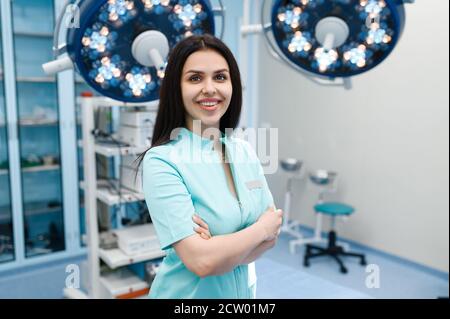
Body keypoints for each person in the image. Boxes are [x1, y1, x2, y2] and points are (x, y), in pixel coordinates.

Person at [138, 34, 283, 299]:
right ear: (176, 88)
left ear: (232, 85)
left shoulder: (244, 151)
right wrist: (259, 229)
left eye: (220, 77)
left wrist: (218, 249)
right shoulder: (162, 161)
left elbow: (271, 239)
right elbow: (201, 262)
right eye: (195, 78)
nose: (210, 89)